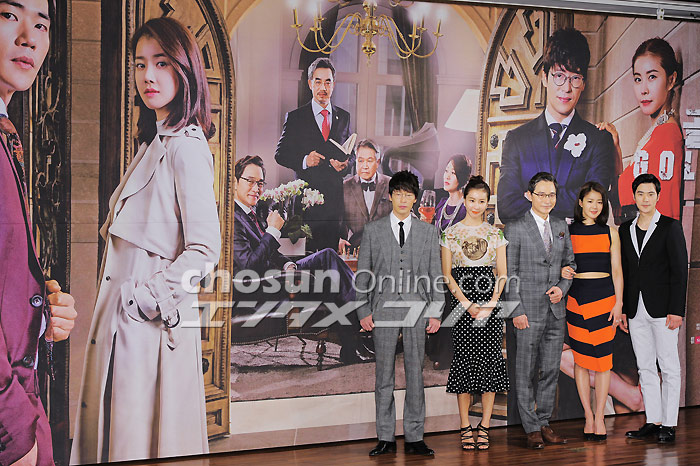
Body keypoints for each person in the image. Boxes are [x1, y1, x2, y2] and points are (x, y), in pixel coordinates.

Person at [71, 18, 221, 464]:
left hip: (149, 328)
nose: (148, 76)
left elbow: (205, 251)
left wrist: (143, 300)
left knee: (138, 444)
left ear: (184, 69)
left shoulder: (186, 146)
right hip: (125, 325)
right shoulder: (154, 142)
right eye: (140, 64)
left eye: (161, 63)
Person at [0, 1, 78, 465]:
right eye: (8, 15)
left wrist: (43, 315)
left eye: (42, 24)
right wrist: (13, 430)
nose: (29, 36)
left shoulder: (7, 132)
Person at [232, 155, 363, 363]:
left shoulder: (250, 213)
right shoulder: (233, 218)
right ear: (234, 182)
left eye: (260, 183)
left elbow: (270, 252)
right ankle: (358, 333)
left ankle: (353, 340)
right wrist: (273, 231)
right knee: (330, 274)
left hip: (278, 275)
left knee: (327, 257)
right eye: (250, 181)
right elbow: (248, 268)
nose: (256, 188)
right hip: (262, 287)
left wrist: (288, 264)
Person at [356, 170, 443, 457]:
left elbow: (435, 275)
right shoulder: (373, 230)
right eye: (398, 194)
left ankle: (415, 437)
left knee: (416, 374)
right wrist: (363, 310)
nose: (403, 199)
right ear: (390, 196)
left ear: (415, 199)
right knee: (384, 375)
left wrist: (435, 312)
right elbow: (363, 275)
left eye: (408, 194)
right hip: (383, 309)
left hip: (418, 309)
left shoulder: (429, 233)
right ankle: (385, 437)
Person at [498, 27, 615, 224]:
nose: (567, 88)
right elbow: (506, 206)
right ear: (545, 77)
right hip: (530, 244)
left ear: (584, 84)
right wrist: (571, 201)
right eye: (559, 76)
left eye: (575, 78)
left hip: (576, 244)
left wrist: (535, 198)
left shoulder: (598, 140)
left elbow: (594, 203)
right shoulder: (517, 139)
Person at [503, 172, 575, 449]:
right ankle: (530, 427)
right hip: (526, 312)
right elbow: (509, 274)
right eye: (541, 194)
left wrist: (563, 287)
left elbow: (570, 264)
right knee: (524, 371)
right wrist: (516, 310)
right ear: (529, 195)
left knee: (551, 370)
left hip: (556, 310)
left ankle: (544, 422)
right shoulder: (515, 228)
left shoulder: (560, 225)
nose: (547, 200)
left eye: (551, 195)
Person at [440, 176, 508, 451]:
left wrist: (491, 304)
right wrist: (467, 304)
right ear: (465, 200)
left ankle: (485, 426)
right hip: (462, 305)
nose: (476, 205)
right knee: (465, 363)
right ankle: (465, 426)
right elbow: (447, 275)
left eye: (482, 201)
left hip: (490, 306)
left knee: (490, 364)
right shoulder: (450, 233)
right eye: (472, 200)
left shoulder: (495, 234)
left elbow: (502, 274)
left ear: (487, 203)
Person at [619, 173, 687, 444]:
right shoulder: (625, 229)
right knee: (645, 366)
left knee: (669, 367)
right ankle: (653, 420)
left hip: (664, 310)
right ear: (634, 196)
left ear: (658, 196)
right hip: (636, 309)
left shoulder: (670, 227)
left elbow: (680, 271)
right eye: (640, 194)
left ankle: (669, 424)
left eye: (650, 194)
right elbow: (625, 271)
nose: (645, 199)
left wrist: (677, 310)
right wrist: (624, 308)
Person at [560, 182, 625, 441]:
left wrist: (619, 304)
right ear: (580, 203)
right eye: (590, 201)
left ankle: (600, 417)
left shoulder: (611, 233)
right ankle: (588, 416)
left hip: (605, 301)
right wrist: (563, 271)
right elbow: (560, 266)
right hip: (576, 300)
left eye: (599, 202)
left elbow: (617, 271)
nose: (595, 206)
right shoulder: (568, 232)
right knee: (581, 361)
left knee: (603, 362)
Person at [597, 38, 683, 224]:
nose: (643, 89)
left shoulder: (666, 135)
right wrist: (615, 147)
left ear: (671, 80)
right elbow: (621, 206)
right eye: (638, 79)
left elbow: (665, 216)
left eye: (652, 77)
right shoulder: (654, 134)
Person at [275, 57, 353, 252]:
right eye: (318, 82)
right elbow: (280, 154)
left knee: (331, 262)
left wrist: (346, 165)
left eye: (327, 82)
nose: (323, 88)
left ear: (333, 85)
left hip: (334, 208)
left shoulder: (343, 117)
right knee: (306, 261)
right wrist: (304, 160)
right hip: (305, 207)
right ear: (310, 84)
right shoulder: (296, 117)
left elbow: (350, 155)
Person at [424, 154, 471, 371]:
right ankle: (432, 346)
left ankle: (447, 353)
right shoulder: (441, 203)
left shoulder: (466, 207)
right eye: (445, 171)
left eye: (452, 172)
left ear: (461, 177)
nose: (447, 176)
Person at [338, 139, 391, 253]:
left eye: (369, 161)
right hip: (355, 250)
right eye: (361, 161)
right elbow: (337, 222)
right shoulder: (344, 187)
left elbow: (406, 215)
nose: (365, 166)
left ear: (378, 162)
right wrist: (338, 239)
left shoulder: (392, 185)